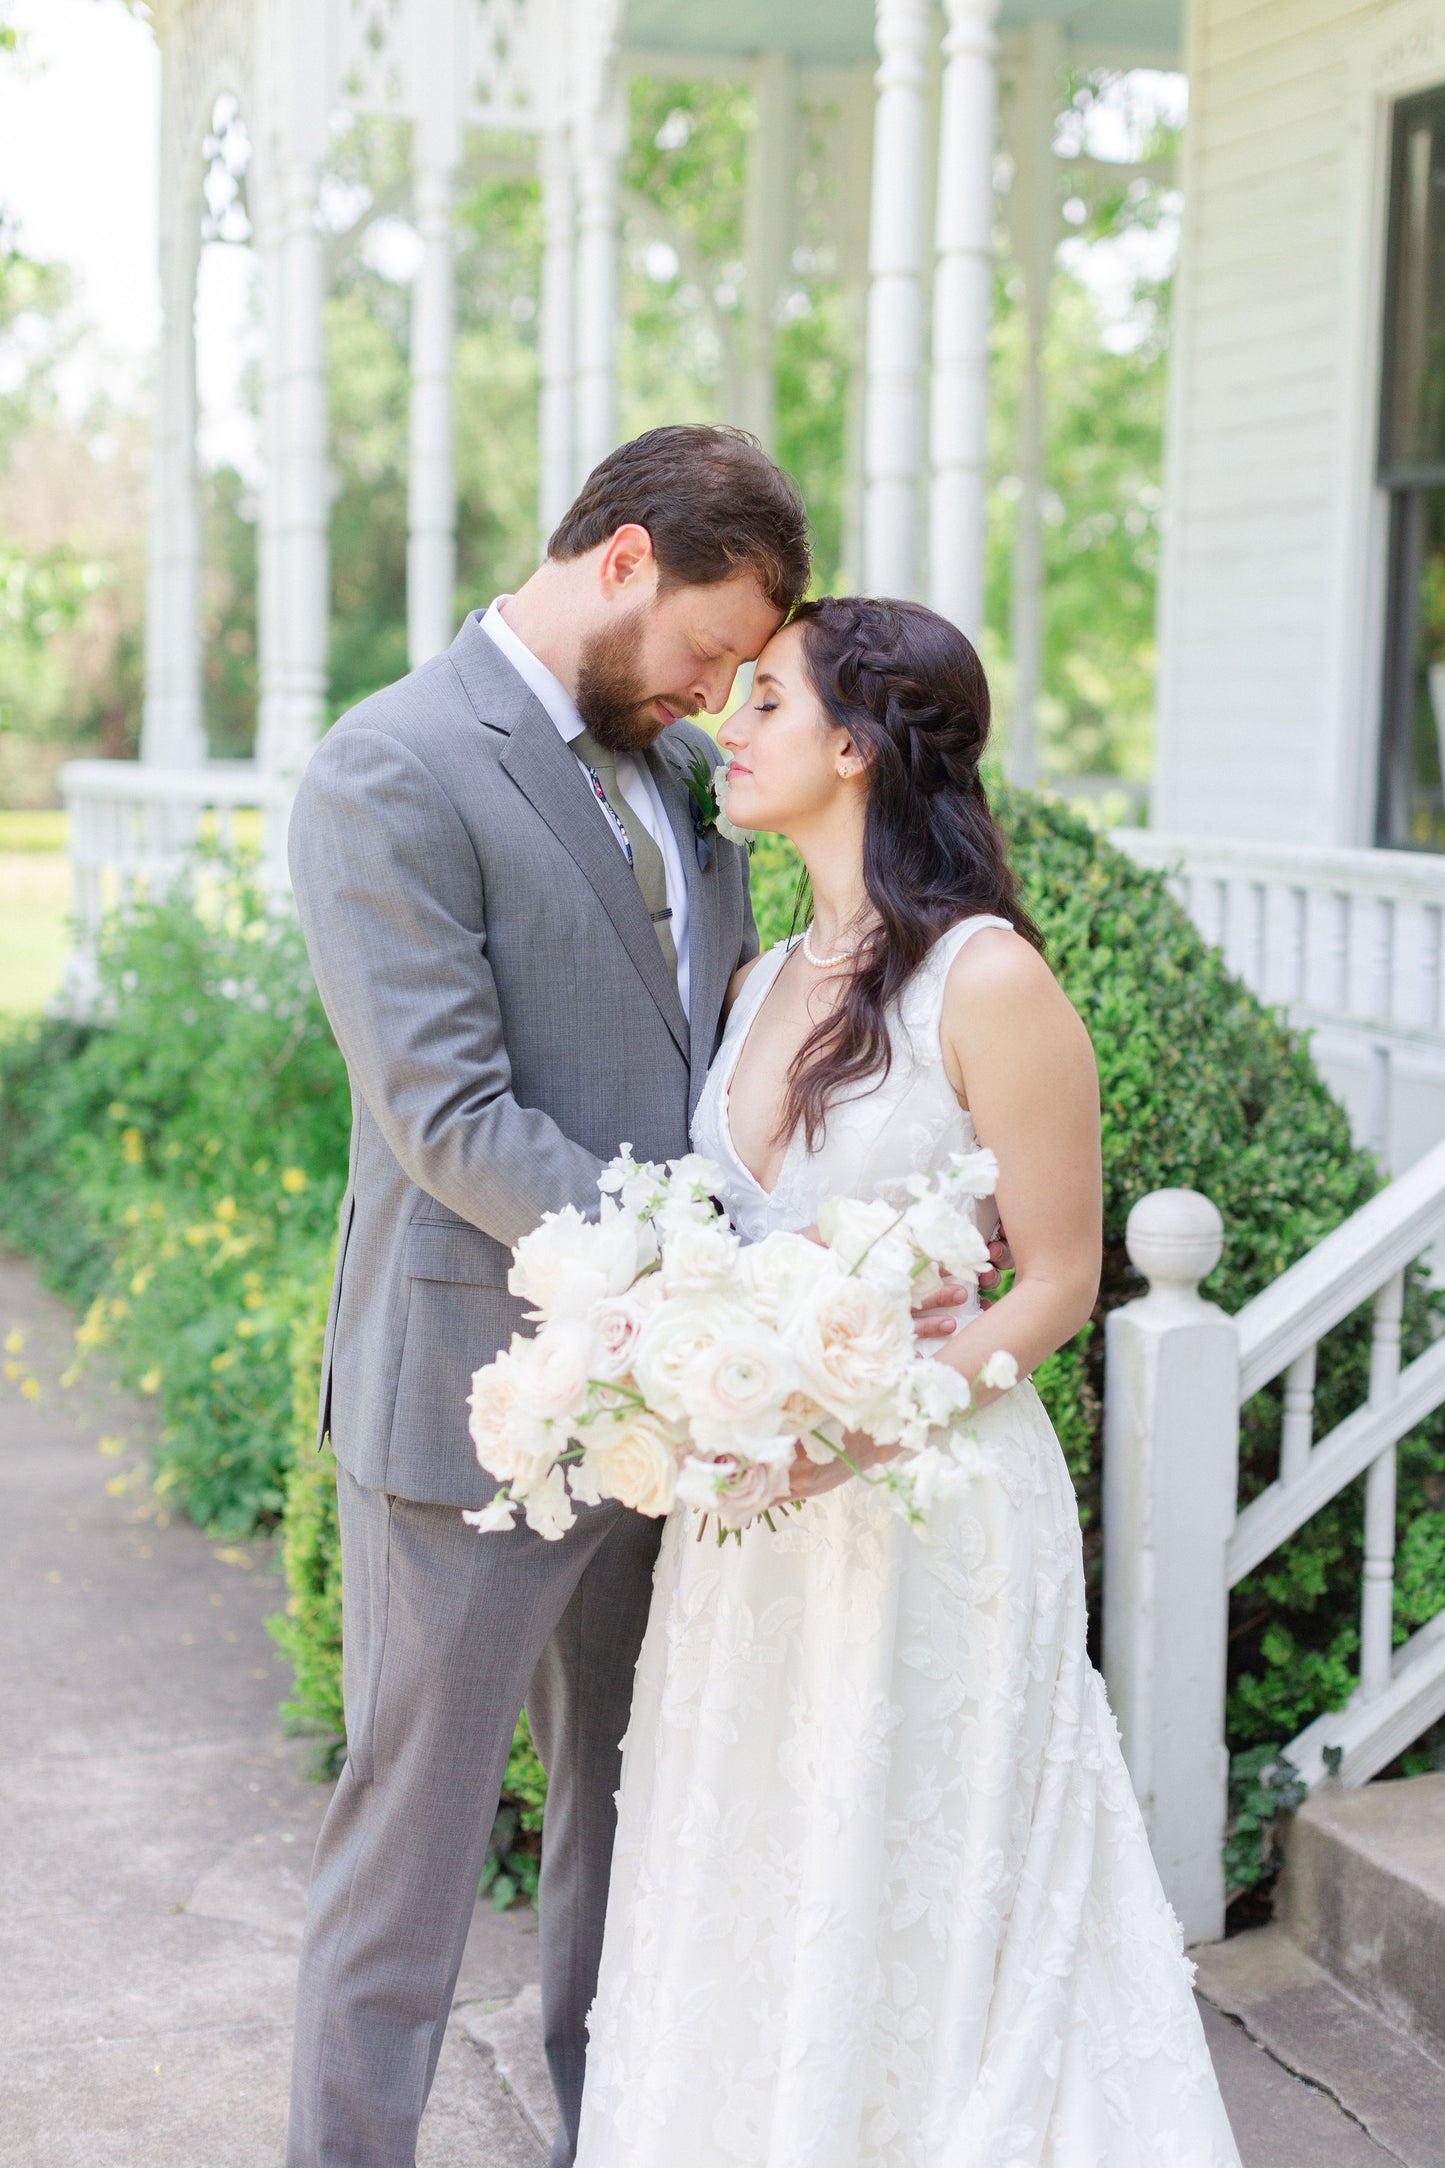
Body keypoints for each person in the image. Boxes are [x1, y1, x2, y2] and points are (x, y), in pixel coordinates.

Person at [576, 595, 1244, 2167]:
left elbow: (1063, 1278)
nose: (724, 731)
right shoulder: (748, 981)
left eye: (763, 704)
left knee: (913, 1878)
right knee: (754, 1865)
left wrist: (869, 1415)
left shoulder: (986, 981)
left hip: (930, 1509)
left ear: (858, 746)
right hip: (755, 1518)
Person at [283, 425, 809, 2168]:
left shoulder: (672, 772)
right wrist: (705, 1265)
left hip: (674, 1417)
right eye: (708, 651)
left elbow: (711, 1042)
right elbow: (445, 1112)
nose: (715, 695)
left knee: (627, 1823)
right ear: (624, 559)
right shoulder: (393, 766)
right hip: (470, 1405)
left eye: (745, 675)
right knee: (408, 1859)